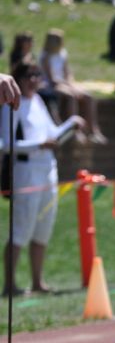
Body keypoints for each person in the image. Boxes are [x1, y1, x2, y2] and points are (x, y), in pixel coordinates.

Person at [2, 62, 86, 296]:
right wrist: (39, 145)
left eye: (37, 75)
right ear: (18, 79)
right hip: (25, 172)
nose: (34, 80)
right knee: (21, 229)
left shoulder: (38, 102)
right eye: (29, 76)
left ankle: (38, 281)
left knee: (43, 227)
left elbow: (53, 135)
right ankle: (10, 284)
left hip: (48, 169)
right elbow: (7, 145)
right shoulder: (12, 106)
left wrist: (71, 123)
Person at [40, 29, 107, 143]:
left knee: (88, 97)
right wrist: (68, 86)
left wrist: (71, 84)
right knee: (71, 96)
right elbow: (51, 78)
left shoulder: (63, 53)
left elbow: (68, 73)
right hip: (52, 85)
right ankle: (75, 131)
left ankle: (93, 130)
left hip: (64, 83)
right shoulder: (45, 56)